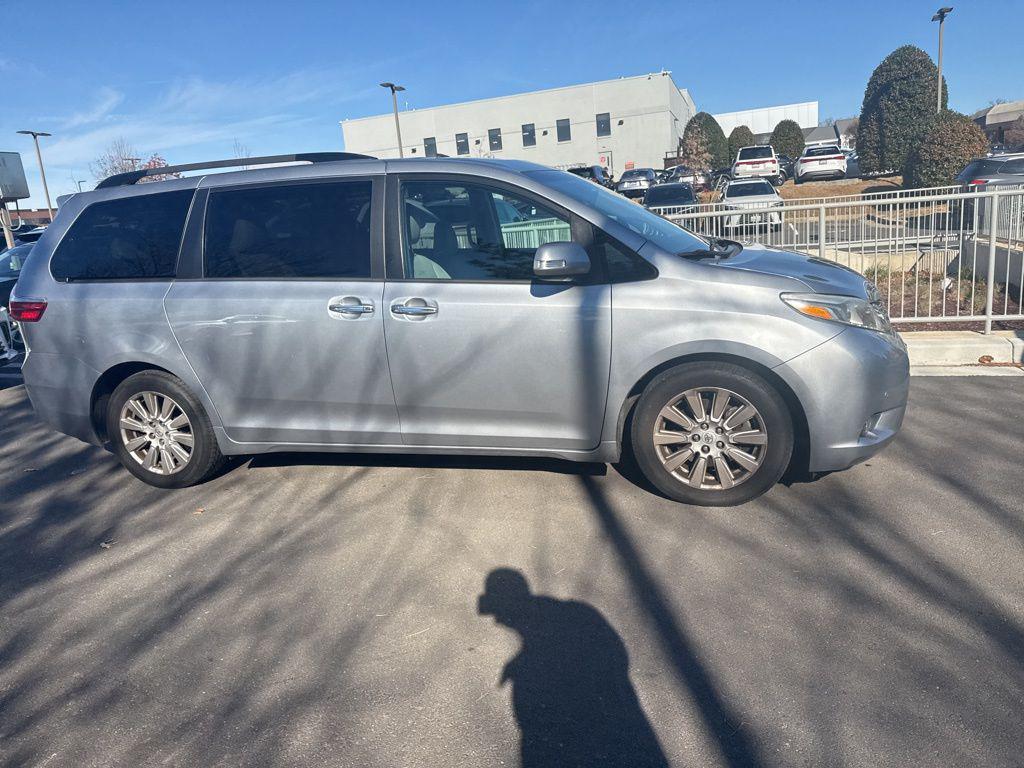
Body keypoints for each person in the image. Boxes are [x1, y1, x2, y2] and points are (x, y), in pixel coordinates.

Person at [478, 568, 668, 767]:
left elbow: (609, 665)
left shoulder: (567, 625)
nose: (498, 622)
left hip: (604, 749)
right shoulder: (566, 620)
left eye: (500, 614)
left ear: (513, 607)